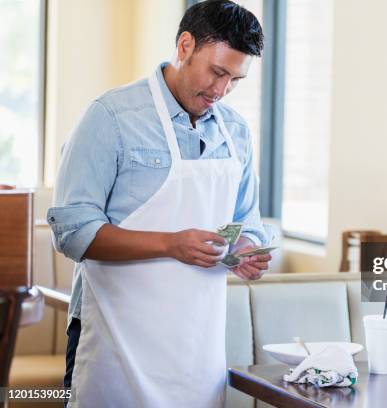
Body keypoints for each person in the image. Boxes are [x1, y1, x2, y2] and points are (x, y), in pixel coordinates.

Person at [48, 1, 270, 406]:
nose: (222, 91)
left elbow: (244, 222)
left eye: (235, 80)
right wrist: (171, 244)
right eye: (217, 72)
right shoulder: (110, 118)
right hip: (114, 342)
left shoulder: (235, 132)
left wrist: (244, 250)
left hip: (196, 347)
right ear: (185, 45)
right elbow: (73, 234)